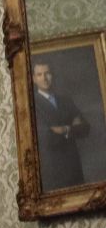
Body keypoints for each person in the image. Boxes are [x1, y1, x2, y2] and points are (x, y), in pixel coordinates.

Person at [32, 61, 91, 191]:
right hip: (52, 169)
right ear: (34, 79)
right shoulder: (32, 104)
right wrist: (72, 127)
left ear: (52, 75)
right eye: (40, 74)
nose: (44, 78)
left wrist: (65, 129)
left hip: (73, 165)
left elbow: (85, 128)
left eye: (47, 73)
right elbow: (46, 138)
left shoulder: (66, 100)